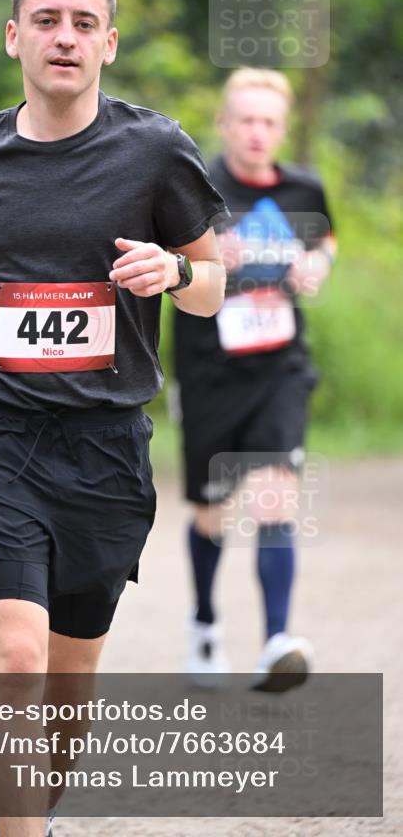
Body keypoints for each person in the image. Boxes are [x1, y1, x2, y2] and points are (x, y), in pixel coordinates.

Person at [0, 0, 228, 836]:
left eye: (83, 23)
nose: (64, 37)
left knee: (65, 689)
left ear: (109, 43)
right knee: (14, 656)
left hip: (104, 449)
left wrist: (169, 268)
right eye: (47, 20)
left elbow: (212, 287)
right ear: (14, 34)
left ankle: (36, 812)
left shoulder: (155, 151)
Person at [173, 68, 336, 693]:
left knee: (274, 494)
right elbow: (160, 263)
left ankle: (275, 642)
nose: (257, 132)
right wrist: (206, 260)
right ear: (224, 124)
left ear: (282, 128)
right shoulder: (194, 187)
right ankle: (206, 625)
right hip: (209, 370)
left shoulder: (303, 186)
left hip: (280, 367)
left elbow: (325, 244)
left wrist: (314, 265)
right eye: (245, 119)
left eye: (269, 122)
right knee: (212, 509)